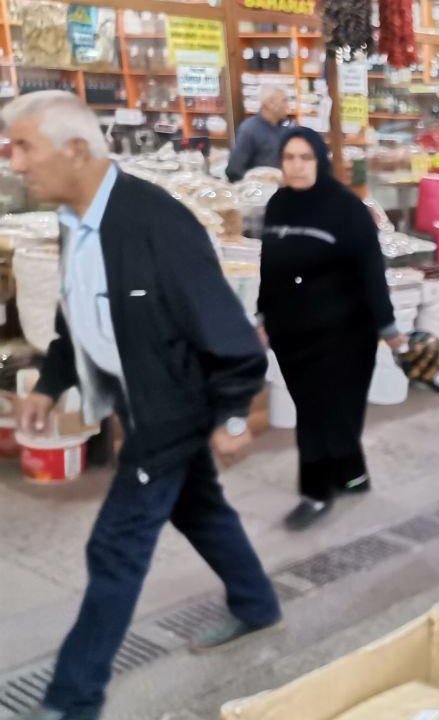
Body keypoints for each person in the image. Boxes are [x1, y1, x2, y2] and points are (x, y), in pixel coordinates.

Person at [5, 91, 281, 720]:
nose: (16, 164)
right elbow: (75, 320)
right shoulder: (76, 223)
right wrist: (49, 387)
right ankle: (258, 603)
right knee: (200, 510)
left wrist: (235, 414)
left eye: (25, 147)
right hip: (143, 401)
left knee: (115, 547)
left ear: (76, 150)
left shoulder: (158, 224)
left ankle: (70, 701)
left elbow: (230, 334)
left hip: (174, 410)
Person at [258, 127, 405, 531]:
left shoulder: (346, 209)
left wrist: (389, 329)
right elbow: (269, 269)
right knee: (317, 409)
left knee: (322, 414)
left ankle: (315, 492)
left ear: (320, 161)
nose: (297, 166)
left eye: (305, 158)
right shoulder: (277, 206)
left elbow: (372, 272)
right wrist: (261, 317)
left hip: (344, 333)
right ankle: (353, 477)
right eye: (289, 158)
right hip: (293, 333)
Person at [225, 86, 289, 182]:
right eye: (284, 101)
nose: (288, 106)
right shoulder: (249, 130)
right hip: (260, 191)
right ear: (270, 103)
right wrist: (257, 182)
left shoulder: (285, 128)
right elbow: (234, 170)